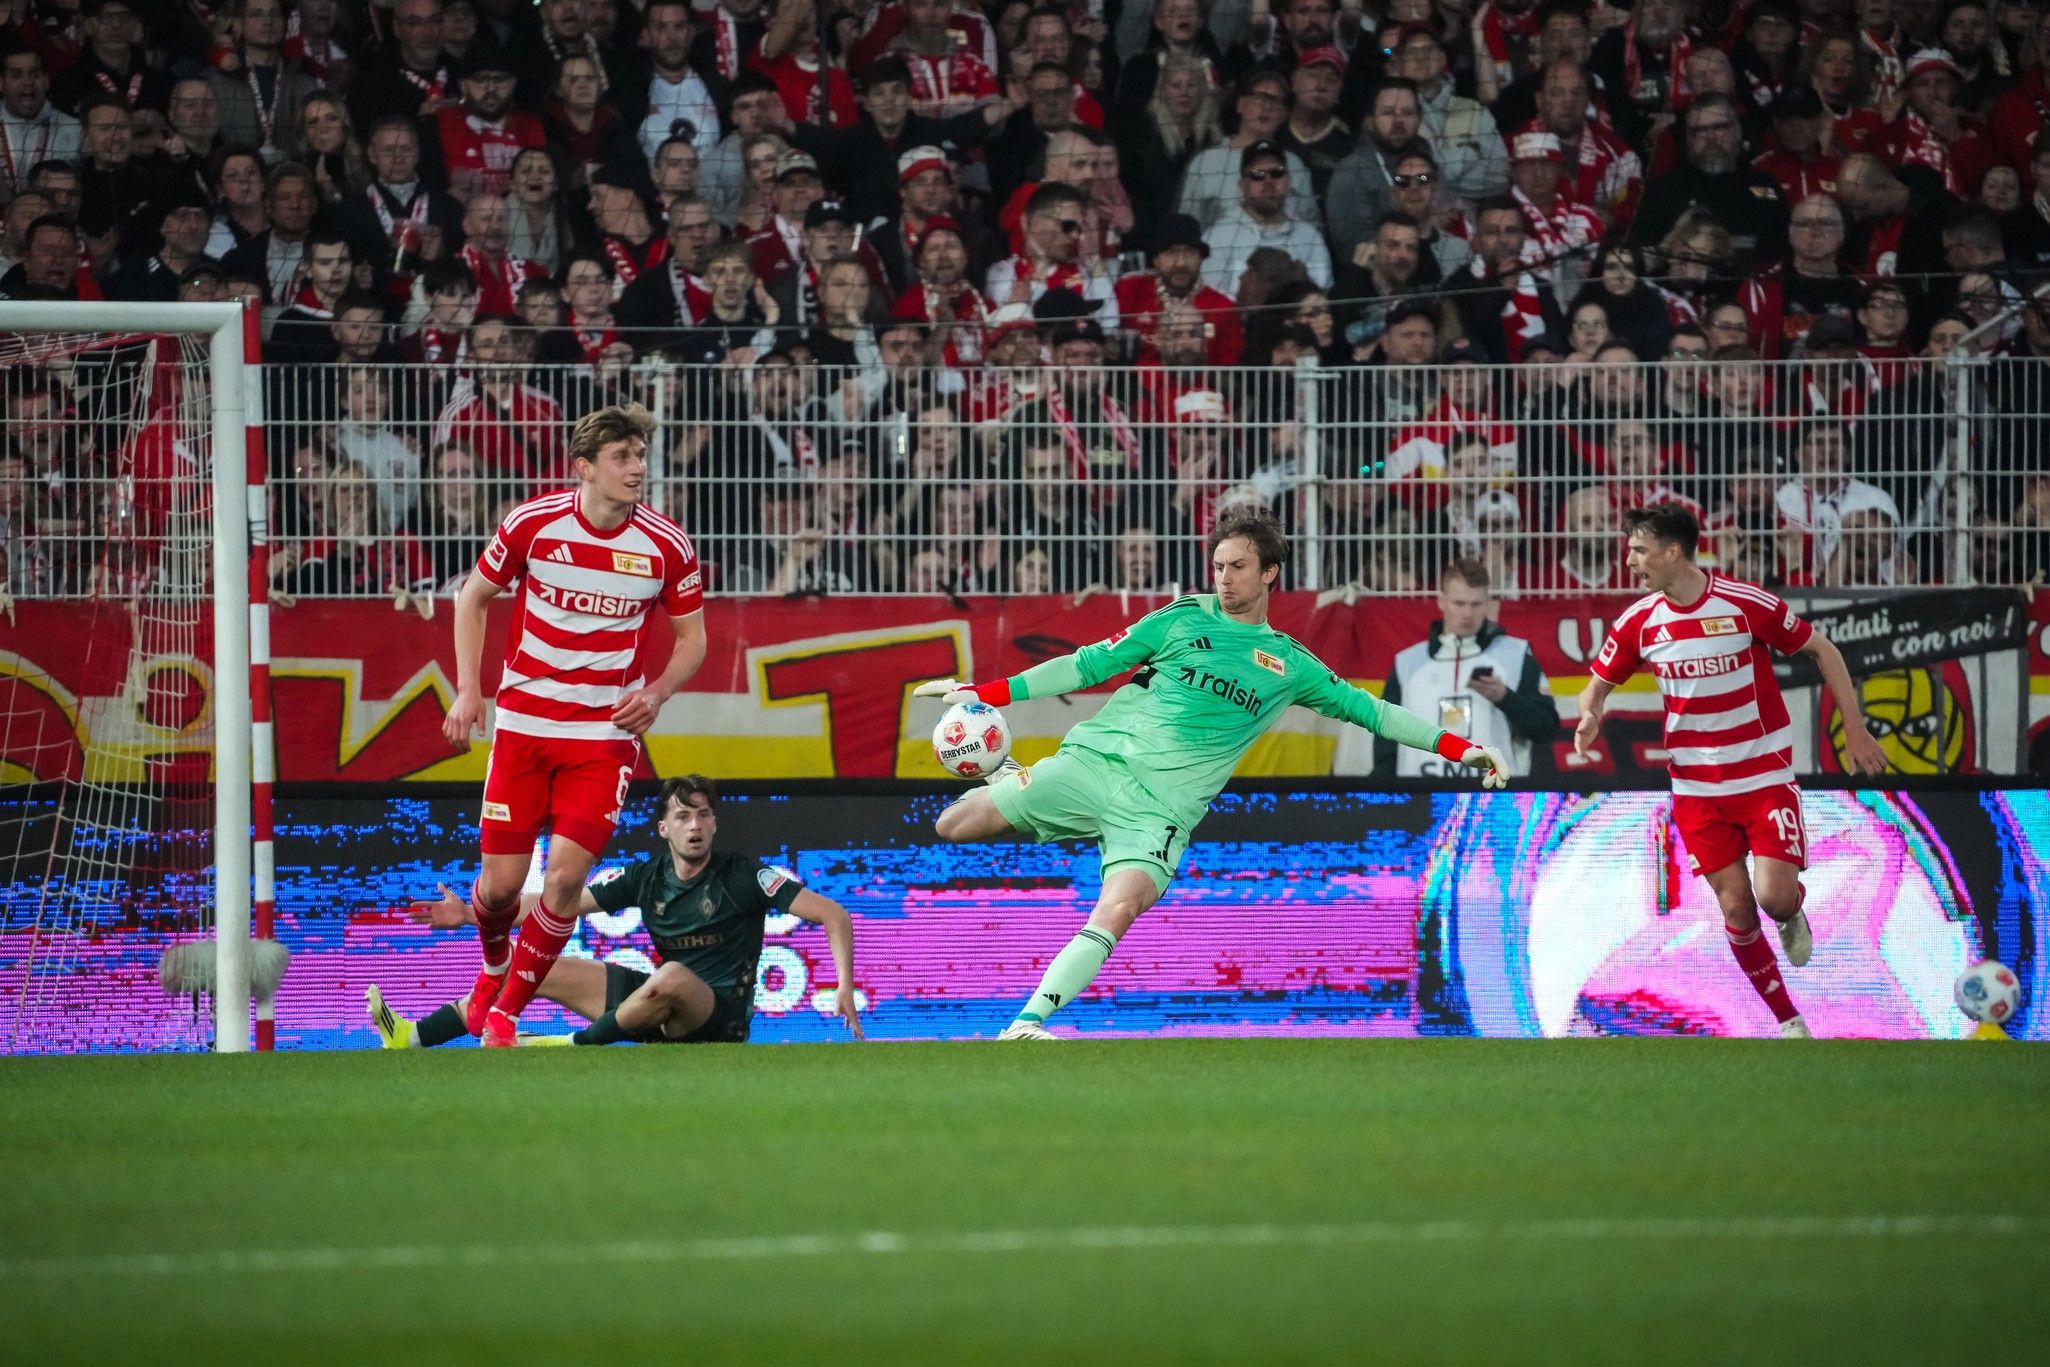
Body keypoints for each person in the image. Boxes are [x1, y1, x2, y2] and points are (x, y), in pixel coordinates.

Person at [913, 508, 1512, 1040]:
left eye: (1238, 567)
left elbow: (1373, 711)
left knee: (1120, 909)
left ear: (1269, 572)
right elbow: (1085, 665)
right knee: (954, 825)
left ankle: (1025, 1026)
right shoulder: (1177, 618)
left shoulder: (1290, 665)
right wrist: (983, 691)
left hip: (1160, 811)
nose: (1224, 578)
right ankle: (1005, 775)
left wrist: (1463, 748)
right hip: (1096, 763)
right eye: (1219, 566)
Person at [439, 404, 708, 1048]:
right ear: (584, 467)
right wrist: (469, 691)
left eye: (641, 455)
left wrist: (660, 692)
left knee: (562, 880)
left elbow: (693, 639)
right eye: (622, 457)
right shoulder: (534, 524)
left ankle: (504, 1014)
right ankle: (492, 969)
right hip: (524, 726)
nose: (637, 468)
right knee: (502, 889)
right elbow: (471, 597)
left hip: (604, 737)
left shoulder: (666, 545)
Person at [1574, 503, 1888, 1040]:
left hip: (1763, 779)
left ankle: (1793, 911)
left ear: (1674, 551)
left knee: (1772, 898)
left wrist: (1855, 729)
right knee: (1737, 906)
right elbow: (1598, 682)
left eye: (1639, 550)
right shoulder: (1639, 621)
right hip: (1696, 791)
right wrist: (1589, 713)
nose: (1629, 561)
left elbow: (1823, 650)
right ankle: (1789, 1021)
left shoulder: (1743, 604)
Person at [367, 775, 862, 1047]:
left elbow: (833, 915)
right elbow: (555, 903)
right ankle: (412, 1038)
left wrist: (842, 986)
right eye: (683, 815)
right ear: (664, 829)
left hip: (716, 1023)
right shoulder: (646, 878)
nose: (695, 825)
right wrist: (473, 915)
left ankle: (569, 1046)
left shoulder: (744, 875)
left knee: (670, 975)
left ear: (715, 824)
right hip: (654, 1007)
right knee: (530, 965)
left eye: (704, 815)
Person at [1370, 557, 1559, 779]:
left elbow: (1547, 728)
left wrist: (1505, 698)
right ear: (1441, 602)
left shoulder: (1515, 656)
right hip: (1420, 801)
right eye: (1459, 603)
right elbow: (1386, 743)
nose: (1467, 614)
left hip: (1495, 803)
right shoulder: (1408, 664)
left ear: (1488, 604)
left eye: (1476, 604)